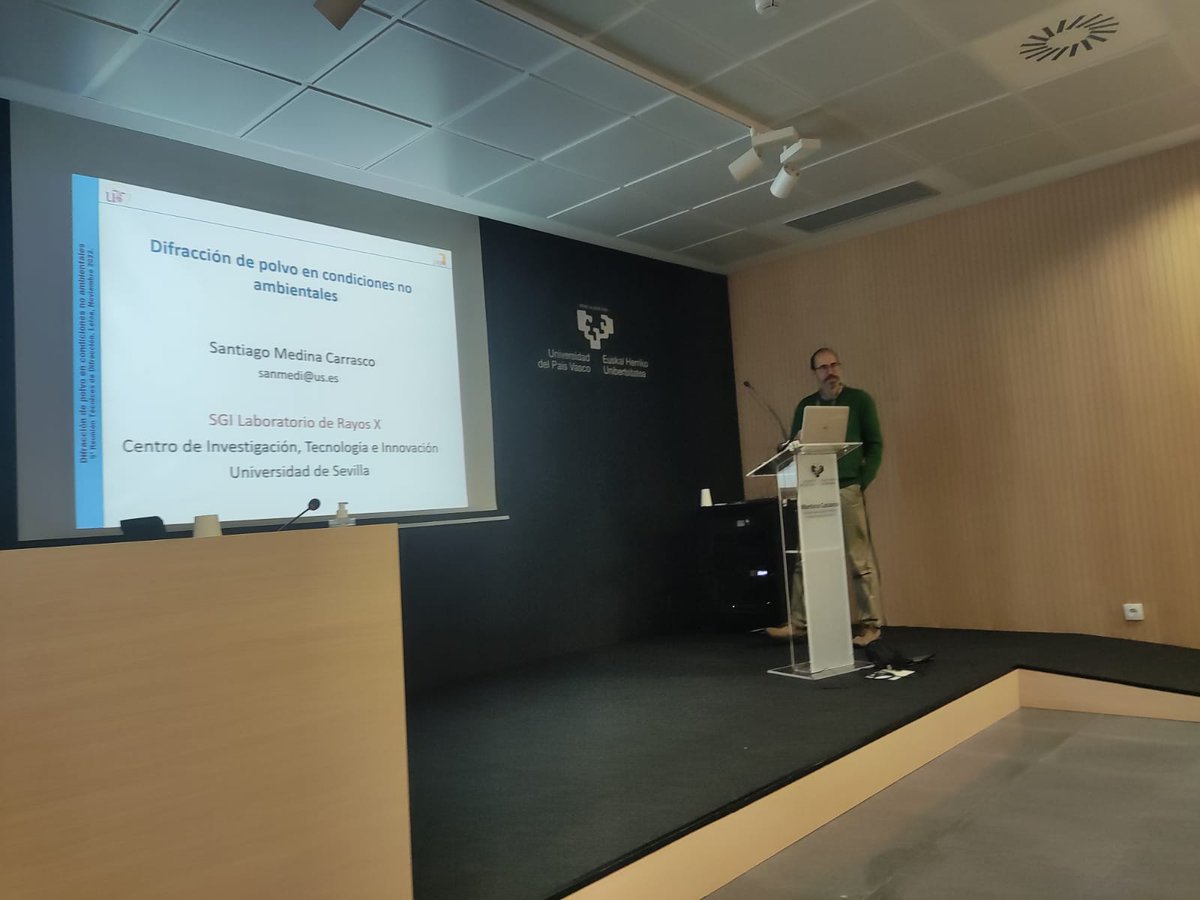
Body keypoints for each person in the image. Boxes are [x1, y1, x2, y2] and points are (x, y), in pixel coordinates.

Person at [766, 347, 885, 646]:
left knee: (859, 560)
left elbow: (875, 444)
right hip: (815, 488)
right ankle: (799, 622)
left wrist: (861, 480)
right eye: (823, 367)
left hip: (846, 488)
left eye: (834, 365)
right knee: (805, 558)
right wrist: (787, 448)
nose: (830, 371)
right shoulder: (806, 406)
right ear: (815, 373)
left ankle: (870, 625)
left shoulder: (860, 401)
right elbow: (797, 447)